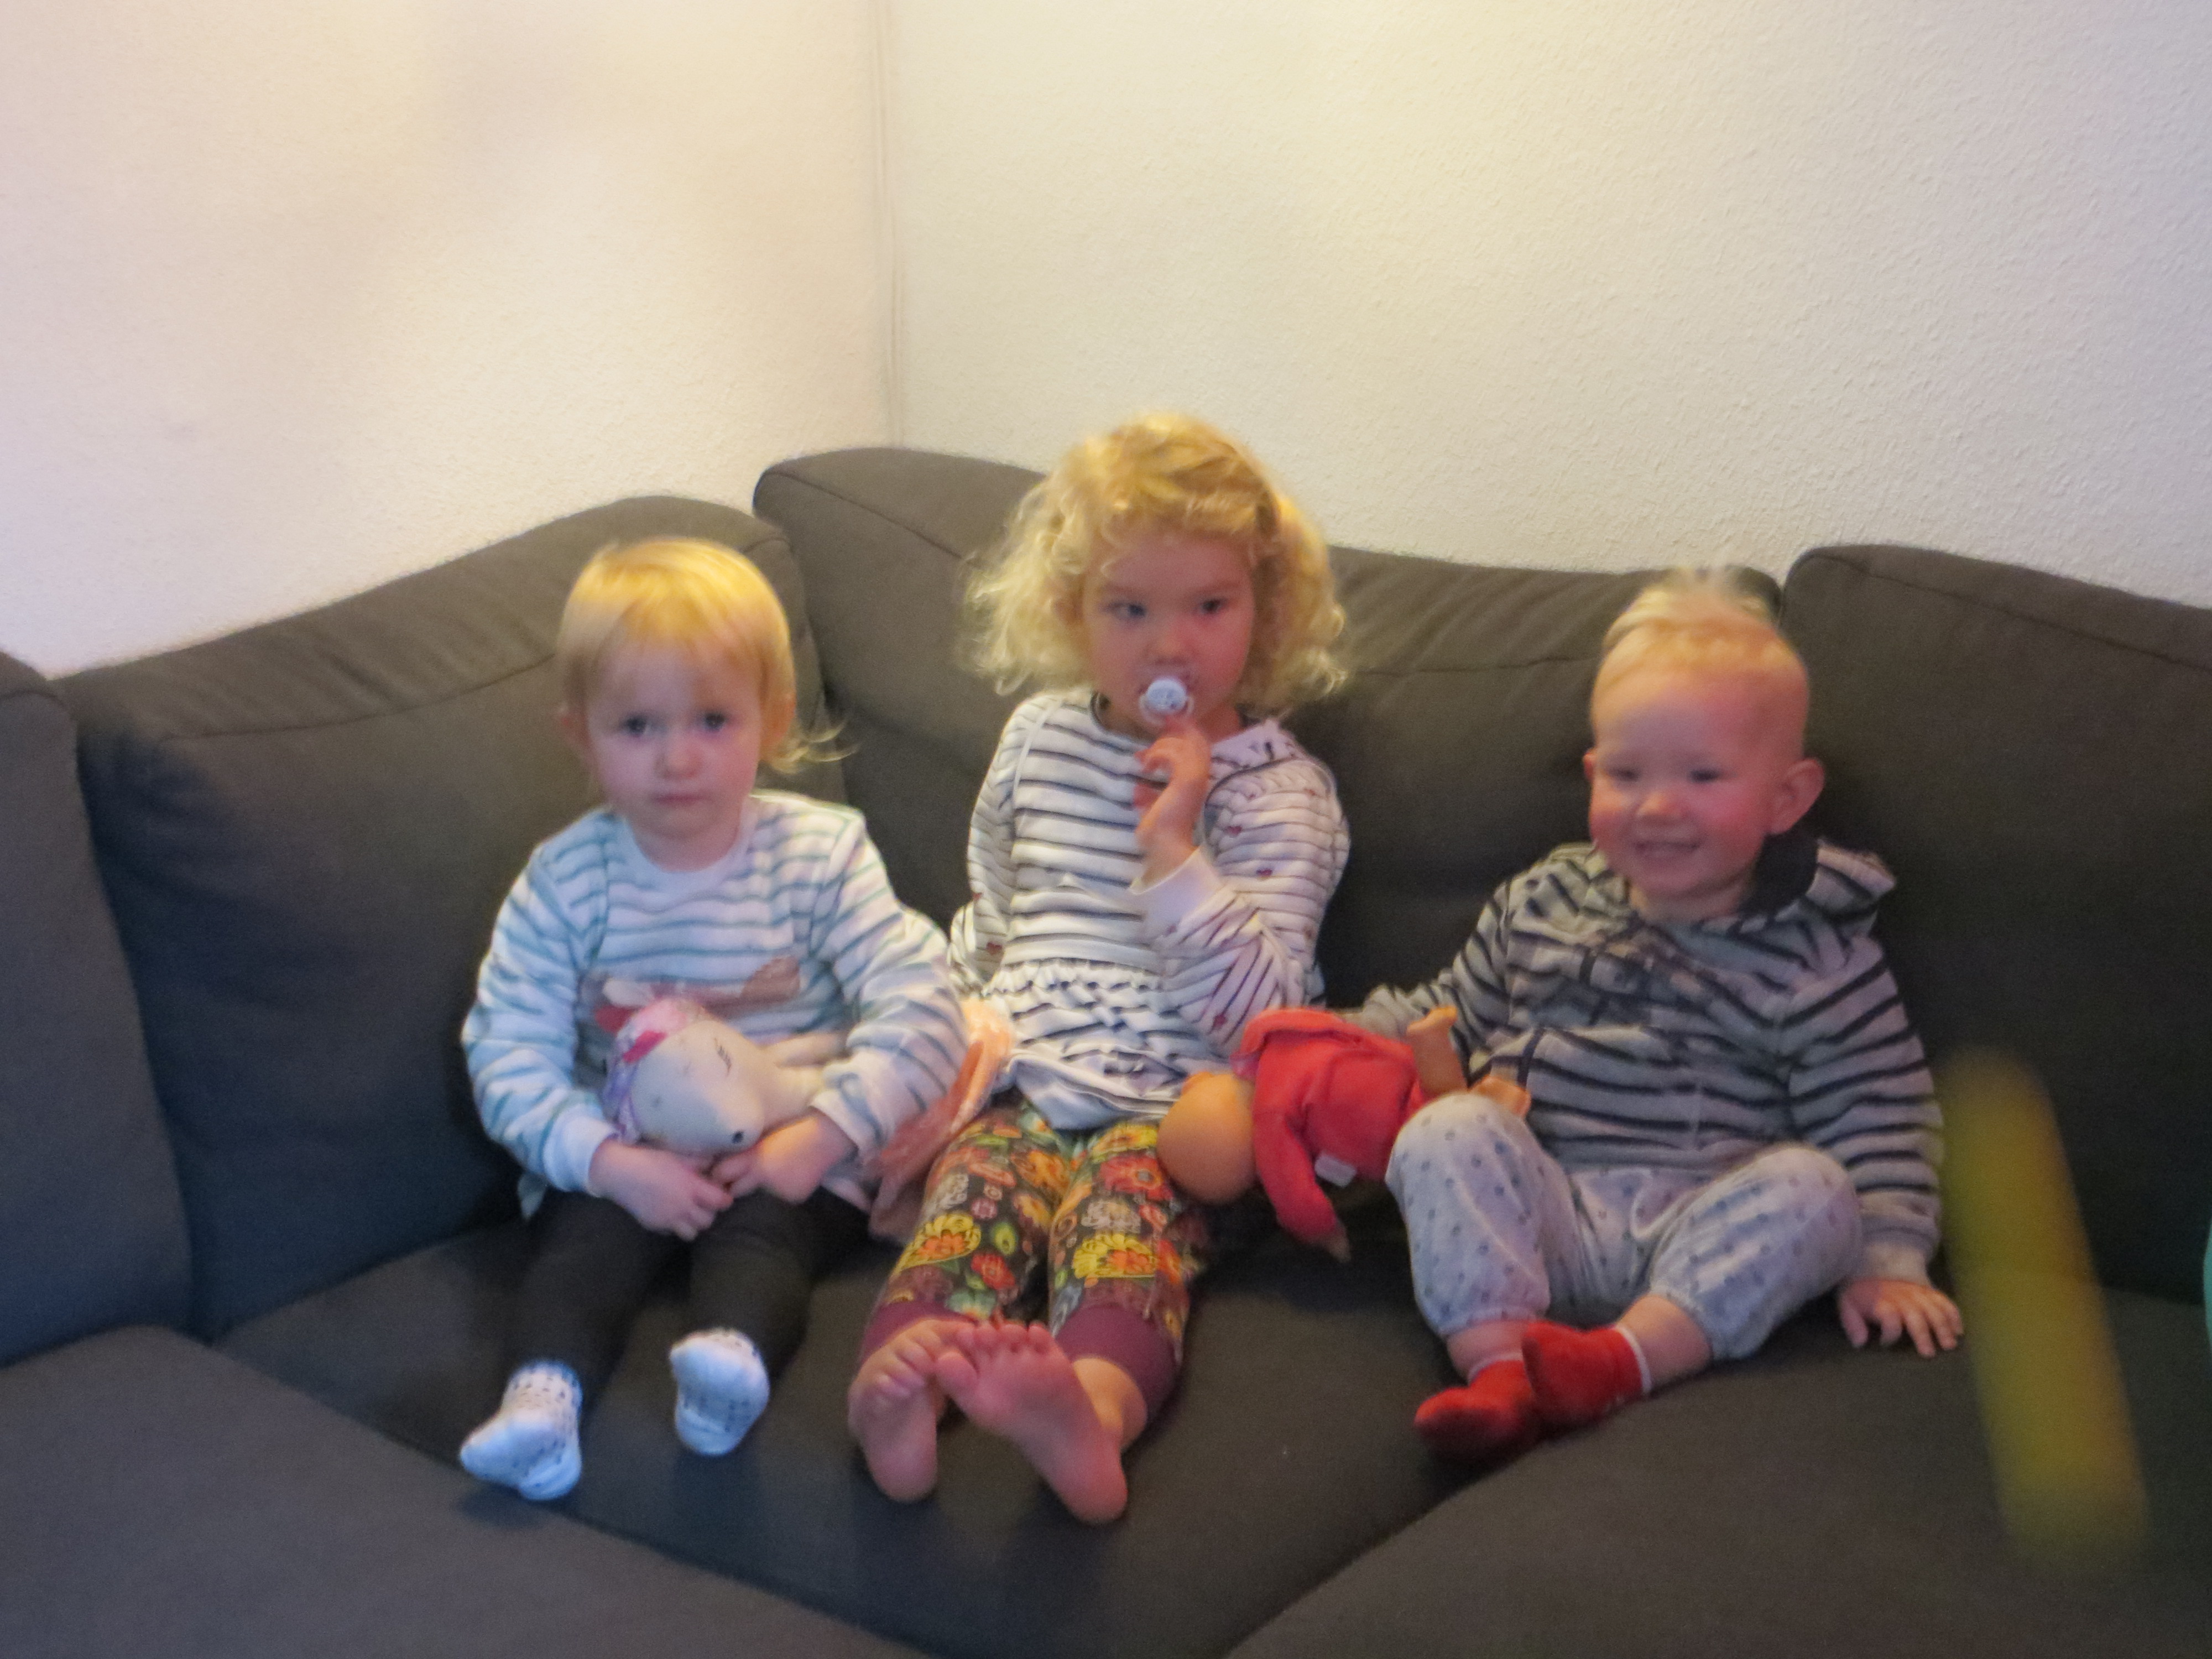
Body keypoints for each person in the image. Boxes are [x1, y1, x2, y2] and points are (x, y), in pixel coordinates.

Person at [846, 413, 1350, 1522]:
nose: (1169, 646)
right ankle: (904, 1387)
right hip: (1024, 1084)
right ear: (1072, 612)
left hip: (1173, 1111)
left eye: (1208, 607)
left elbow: (1262, 1016)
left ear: (1263, 613)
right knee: (968, 1207)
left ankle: (1090, 1417)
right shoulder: (1039, 739)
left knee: (1123, 1237)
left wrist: (1175, 854)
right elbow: (994, 917)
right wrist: (927, 1055)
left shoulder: (1283, 794)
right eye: (1128, 610)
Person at [1368, 568, 1961, 1466]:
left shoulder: (1816, 958)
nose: (1657, 805)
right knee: (1443, 1131)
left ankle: (1616, 1365)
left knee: (1816, 1189)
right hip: (1546, 1214)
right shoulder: (1542, 900)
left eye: (1703, 775)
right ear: (1591, 774)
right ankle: (1500, 1376)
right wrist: (1311, 1040)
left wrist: (1889, 1259)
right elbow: (1441, 1014)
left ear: (1787, 798)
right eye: (1627, 773)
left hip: (1702, 1233)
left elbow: (1879, 1116)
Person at [458, 538, 966, 1500]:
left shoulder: (820, 856)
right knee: (580, 1251)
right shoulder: (564, 881)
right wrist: (610, 1164)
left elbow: (925, 1004)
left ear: (773, 720)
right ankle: (542, 1402)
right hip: (626, 1150)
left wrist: (824, 1137)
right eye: (637, 726)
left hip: (790, 1147)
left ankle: (730, 1368)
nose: (677, 758)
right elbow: (506, 1053)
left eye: (713, 720)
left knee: (763, 1242)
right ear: (580, 735)